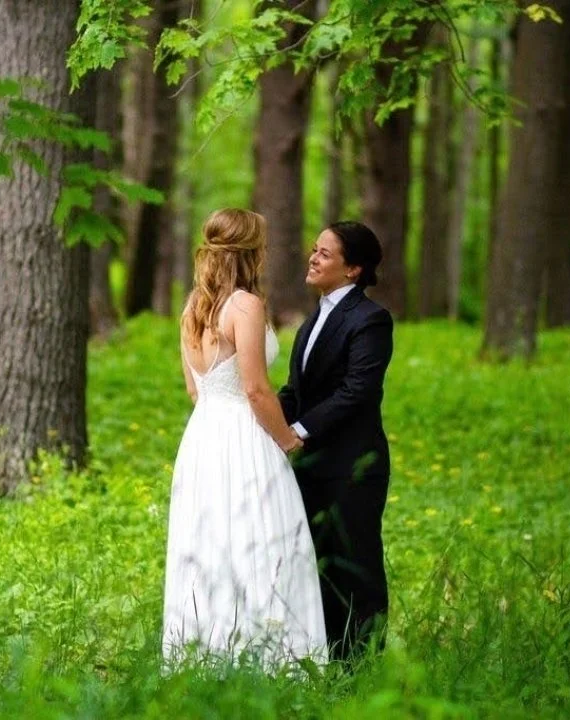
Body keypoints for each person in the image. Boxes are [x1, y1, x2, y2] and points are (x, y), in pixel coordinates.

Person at [162, 208, 327, 669]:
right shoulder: (246, 306)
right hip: (243, 433)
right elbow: (255, 388)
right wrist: (287, 440)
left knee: (211, 541)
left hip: (203, 437)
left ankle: (206, 655)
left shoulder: (192, 308)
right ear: (253, 251)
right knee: (264, 537)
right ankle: (273, 658)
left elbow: (196, 389)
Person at [278, 221, 393, 663]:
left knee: (356, 565)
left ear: (353, 269)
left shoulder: (370, 320)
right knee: (320, 563)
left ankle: (362, 665)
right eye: (314, 249)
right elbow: (297, 391)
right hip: (314, 467)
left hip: (353, 466)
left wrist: (298, 431)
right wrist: (260, 421)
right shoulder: (315, 318)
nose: (313, 257)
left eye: (325, 254)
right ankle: (328, 657)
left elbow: (356, 389)